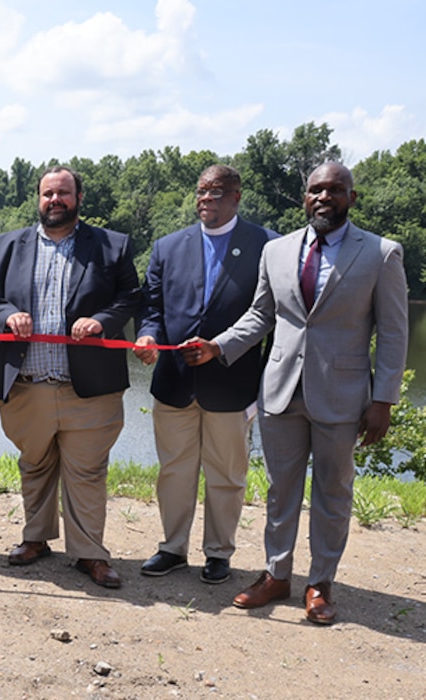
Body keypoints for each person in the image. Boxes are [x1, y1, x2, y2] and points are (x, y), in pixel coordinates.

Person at [184, 162, 408, 624]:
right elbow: (260, 315)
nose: (324, 197)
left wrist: (383, 400)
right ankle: (276, 575)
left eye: (335, 190)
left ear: (351, 197)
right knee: (279, 491)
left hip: (343, 395)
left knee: (332, 492)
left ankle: (320, 583)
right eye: (315, 190)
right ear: (304, 198)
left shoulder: (381, 254)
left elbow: (393, 333)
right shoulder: (278, 251)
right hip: (280, 391)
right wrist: (217, 347)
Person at [0, 166, 142, 588]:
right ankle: (35, 539)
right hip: (25, 384)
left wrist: (102, 321)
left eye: (63, 193)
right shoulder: (3, 247)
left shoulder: (112, 246)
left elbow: (132, 297)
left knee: (86, 472)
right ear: (38, 198)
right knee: (34, 465)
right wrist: (7, 315)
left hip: (89, 389)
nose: (55, 200)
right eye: (48, 193)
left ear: (79, 198)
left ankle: (90, 554)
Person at [133, 165, 276, 585]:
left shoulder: (266, 246)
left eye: (216, 192)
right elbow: (152, 307)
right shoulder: (167, 247)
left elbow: (268, 318)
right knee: (174, 471)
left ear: (237, 196)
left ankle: (218, 553)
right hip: (174, 384)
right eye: (201, 191)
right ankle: (173, 548)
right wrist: (146, 336)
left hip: (233, 385)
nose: (206, 199)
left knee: (226, 476)